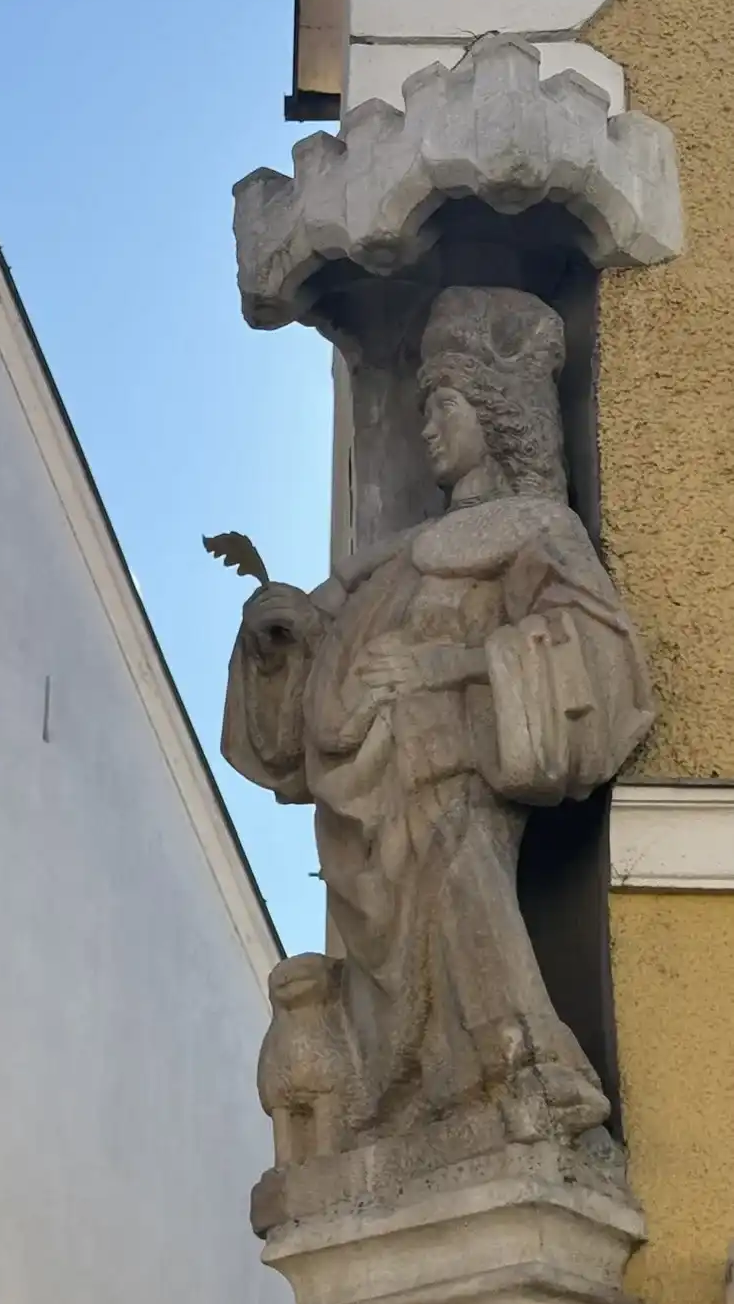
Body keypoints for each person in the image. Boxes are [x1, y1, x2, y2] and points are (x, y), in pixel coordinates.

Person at [222, 285, 653, 1147]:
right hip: (372, 809)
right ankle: (423, 1106)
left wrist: (447, 668)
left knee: (467, 891)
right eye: (422, 408)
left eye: (444, 406)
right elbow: (317, 694)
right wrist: (280, 642)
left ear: (495, 416)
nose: (427, 428)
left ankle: (538, 1077)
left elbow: (596, 649)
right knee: (409, 963)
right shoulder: (392, 562)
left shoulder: (536, 529)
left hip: (453, 777)